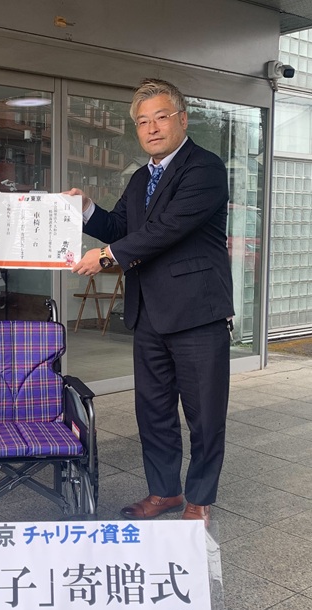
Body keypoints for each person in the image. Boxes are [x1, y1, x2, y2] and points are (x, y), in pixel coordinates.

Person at [69, 78, 234, 527]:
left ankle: (199, 499)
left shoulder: (205, 168)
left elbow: (168, 229)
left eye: (161, 117)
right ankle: (165, 491)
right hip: (149, 315)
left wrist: (106, 256)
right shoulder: (141, 177)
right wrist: (87, 209)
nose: (152, 128)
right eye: (143, 122)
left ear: (183, 119)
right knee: (154, 412)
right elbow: (121, 226)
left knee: (204, 416)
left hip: (197, 314)